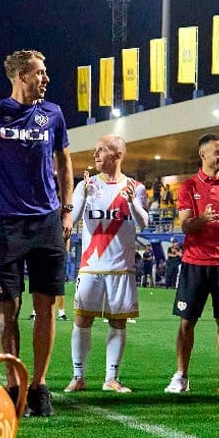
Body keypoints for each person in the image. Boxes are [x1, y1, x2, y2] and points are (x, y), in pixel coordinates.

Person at [0, 50, 73, 417]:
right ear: (20, 75)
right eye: (40, 72)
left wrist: (66, 210)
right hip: (5, 222)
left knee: (46, 307)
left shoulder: (53, 114)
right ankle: (13, 383)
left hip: (47, 221)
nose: (46, 79)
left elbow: (64, 160)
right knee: (9, 309)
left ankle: (39, 386)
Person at [167, 134, 219, 395]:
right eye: (218, 152)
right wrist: (203, 219)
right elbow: (186, 226)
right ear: (203, 155)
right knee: (186, 322)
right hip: (195, 263)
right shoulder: (189, 186)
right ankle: (181, 376)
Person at [64, 134, 148, 393]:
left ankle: (111, 378)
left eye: (101, 150)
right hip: (90, 265)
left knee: (118, 323)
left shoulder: (136, 187)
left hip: (121, 267)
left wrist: (132, 202)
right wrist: (84, 196)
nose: (95, 155)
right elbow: (73, 219)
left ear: (117, 155)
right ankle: (78, 376)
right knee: (81, 320)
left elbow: (143, 223)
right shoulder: (85, 186)